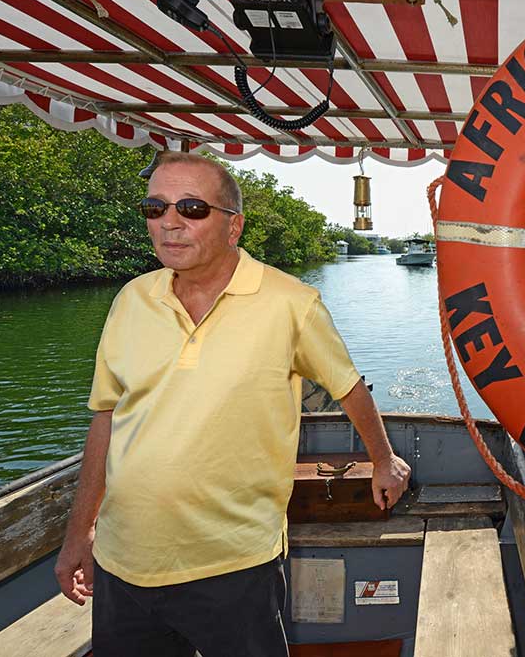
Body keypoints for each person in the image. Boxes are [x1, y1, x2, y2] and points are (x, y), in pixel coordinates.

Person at [54, 152, 411, 656]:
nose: (169, 222)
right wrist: (79, 535)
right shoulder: (131, 300)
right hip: (123, 564)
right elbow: (107, 418)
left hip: (234, 566)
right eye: (155, 208)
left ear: (233, 226)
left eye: (192, 208)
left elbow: (348, 386)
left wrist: (382, 460)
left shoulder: (291, 303)